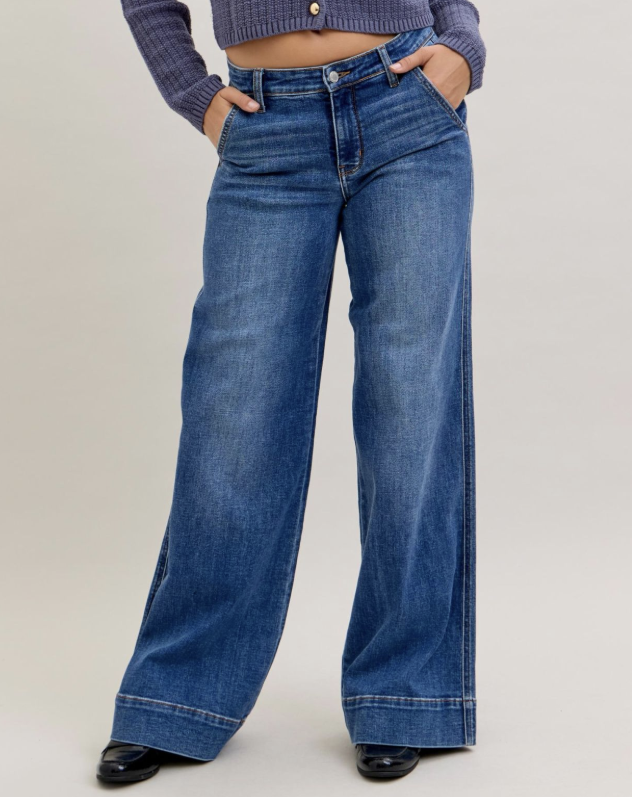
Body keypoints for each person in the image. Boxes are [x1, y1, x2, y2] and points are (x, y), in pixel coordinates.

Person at [96, 0, 486, 783]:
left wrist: (463, 46)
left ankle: (404, 693)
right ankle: (178, 696)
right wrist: (193, 94)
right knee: (233, 412)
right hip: (265, 125)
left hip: (408, 104)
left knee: (411, 407)